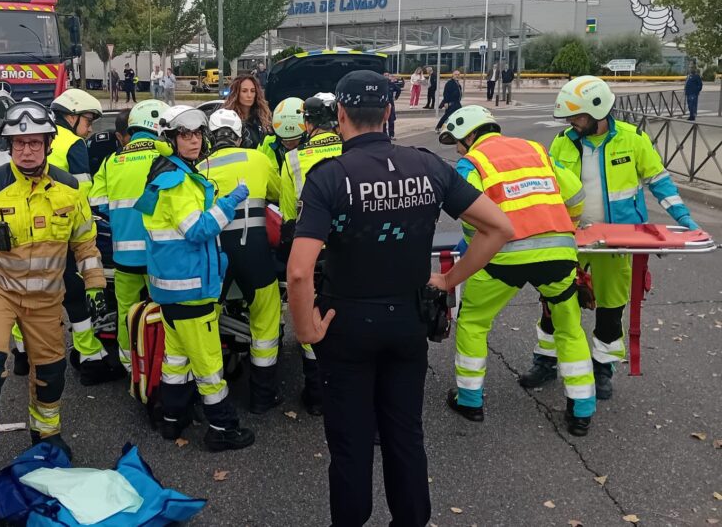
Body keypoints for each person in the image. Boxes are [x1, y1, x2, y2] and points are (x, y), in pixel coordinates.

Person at [286, 70, 512, 526]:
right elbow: (499, 229)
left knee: (350, 444)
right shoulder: (428, 166)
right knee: (404, 435)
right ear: (389, 113)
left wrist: (306, 328)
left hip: (345, 322)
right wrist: (448, 282)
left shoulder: (328, 177)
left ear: (341, 115)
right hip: (408, 320)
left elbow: (298, 270)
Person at [0, 99, 107, 478]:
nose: (27, 150)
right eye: (19, 143)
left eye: (35, 143)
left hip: (45, 299)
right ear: (9, 146)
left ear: (49, 144)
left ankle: (46, 433)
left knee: (51, 372)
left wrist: (95, 284)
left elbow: (85, 244)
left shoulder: (69, 190)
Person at [520, 75, 700, 399]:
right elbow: (547, 187)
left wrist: (683, 220)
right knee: (553, 304)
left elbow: (659, 182)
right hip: (571, 239)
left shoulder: (633, 140)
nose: (573, 123)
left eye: (578, 116)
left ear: (598, 110)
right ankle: (545, 361)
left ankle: (602, 368)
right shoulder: (563, 141)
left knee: (610, 309)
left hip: (618, 241)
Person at [439, 106, 596, 436]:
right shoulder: (536, 151)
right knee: (569, 327)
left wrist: (475, 249)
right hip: (557, 254)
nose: (457, 149)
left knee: (474, 322)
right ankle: (581, 410)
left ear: (470, 136)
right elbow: (575, 193)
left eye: (457, 141)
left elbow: (471, 216)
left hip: (502, 258)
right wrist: (567, 228)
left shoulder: (473, 163)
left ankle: (469, 400)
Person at [137, 106, 256, 451]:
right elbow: (199, 229)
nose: (193, 141)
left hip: (170, 289)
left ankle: (171, 420)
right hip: (191, 291)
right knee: (209, 367)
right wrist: (232, 200)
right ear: (171, 140)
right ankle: (222, 428)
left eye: (197, 135)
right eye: (185, 136)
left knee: (176, 361)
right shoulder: (178, 182)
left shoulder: (163, 175)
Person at [8, 89, 124, 386]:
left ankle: (21, 354)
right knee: (75, 296)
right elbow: (81, 197)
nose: (89, 130)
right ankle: (89, 359)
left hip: (24, 229)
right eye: (88, 122)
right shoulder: (73, 144)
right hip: (61, 231)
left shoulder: (34, 135)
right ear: (72, 116)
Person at [198, 109, 283, 413]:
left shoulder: (199, 166)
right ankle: (262, 396)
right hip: (254, 251)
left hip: (214, 254)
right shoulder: (258, 159)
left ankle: (210, 395)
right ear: (239, 136)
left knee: (207, 321)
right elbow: (278, 193)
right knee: (266, 317)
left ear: (210, 137)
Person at [88, 100, 167, 372]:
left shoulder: (112, 160)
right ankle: (163, 359)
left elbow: (97, 201)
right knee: (164, 309)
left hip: (124, 254)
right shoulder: (165, 152)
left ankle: (127, 361)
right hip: (160, 252)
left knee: (126, 310)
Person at [280, 92, 342, 416]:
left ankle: (317, 394)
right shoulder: (353, 149)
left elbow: (290, 216)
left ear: (306, 123)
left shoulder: (292, 160)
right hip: (351, 249)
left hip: (313, 250)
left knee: (311, 313)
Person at [223, 73, 273, 148]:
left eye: (252, 91)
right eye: (244, 91)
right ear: (236, 93)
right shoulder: (228, 119)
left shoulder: (263, 117)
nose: (249, 95)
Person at [259, 97, 305, 170]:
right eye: (283, 139)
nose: (288, 142)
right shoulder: (266, 144)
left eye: (293, 140)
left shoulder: (314, 146)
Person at [384, 72, 403, 139]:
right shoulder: (381, 84)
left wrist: (396, 97)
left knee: (391, 120)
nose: (387, 76)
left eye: (388, 75)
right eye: (385, 75)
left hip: (390, 104)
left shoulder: (391, 84)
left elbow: (399, 90)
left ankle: (391, 135)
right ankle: (384, 135)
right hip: (383, 105)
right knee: (383, 121)